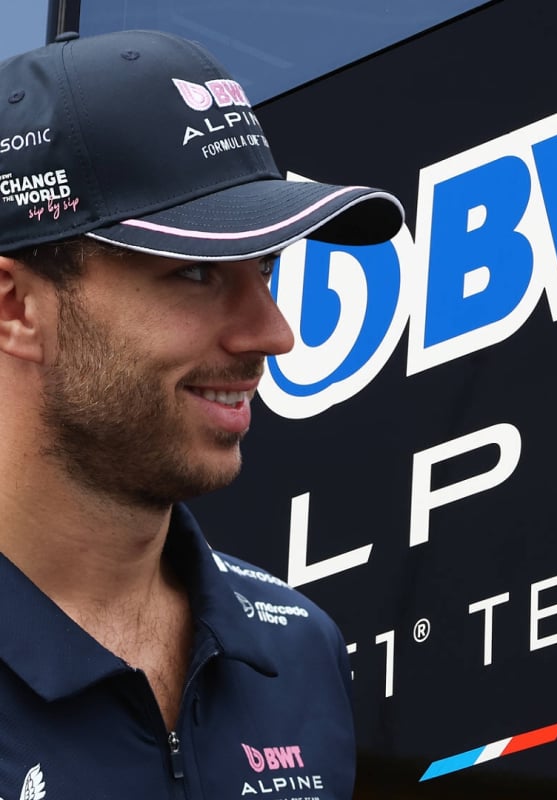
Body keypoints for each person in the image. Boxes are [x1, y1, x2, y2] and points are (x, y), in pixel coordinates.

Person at [0, 30, 403, 798]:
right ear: (17, 307)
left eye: (266, 268)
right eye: (194, 272)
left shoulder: (298, 653)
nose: (274, 333)